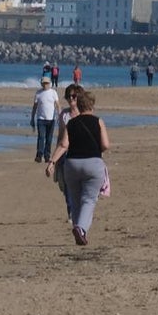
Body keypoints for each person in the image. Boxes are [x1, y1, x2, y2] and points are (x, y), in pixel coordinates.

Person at [45, 88, 111, 246]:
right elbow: (106, 145)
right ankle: (80, 229)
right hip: (93, 164)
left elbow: (64, 144)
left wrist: (52, 161)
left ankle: (79, 230)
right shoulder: (98, 121)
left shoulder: (71, 123)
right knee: (89, 199)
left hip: (72, 164)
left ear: (79, 105)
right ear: (91, 105)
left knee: (75, 200)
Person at [53, 84, 82, 222]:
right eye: (68, 96)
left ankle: (81, 210)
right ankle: (71, 212)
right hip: (66, 153)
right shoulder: (64, 114)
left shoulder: (85, 113)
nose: (71, 99)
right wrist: (55, 158)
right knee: (67, 186)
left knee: (80, 185)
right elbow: (60, 138)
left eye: (74, 96)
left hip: (82, 153)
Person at [31, 76, 60, 163]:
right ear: (41, 84)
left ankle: (47, 155)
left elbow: (58, 105)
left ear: (50, 84)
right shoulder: (38, 93)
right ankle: (39, 155)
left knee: (49, 138)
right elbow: (35, 107)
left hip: (51, 119)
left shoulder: (53, 93)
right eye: (44, 83)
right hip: (41, 119)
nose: (45, 85)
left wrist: (60, 116)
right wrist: (32, 118)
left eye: (47, 83)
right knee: (41, 137)